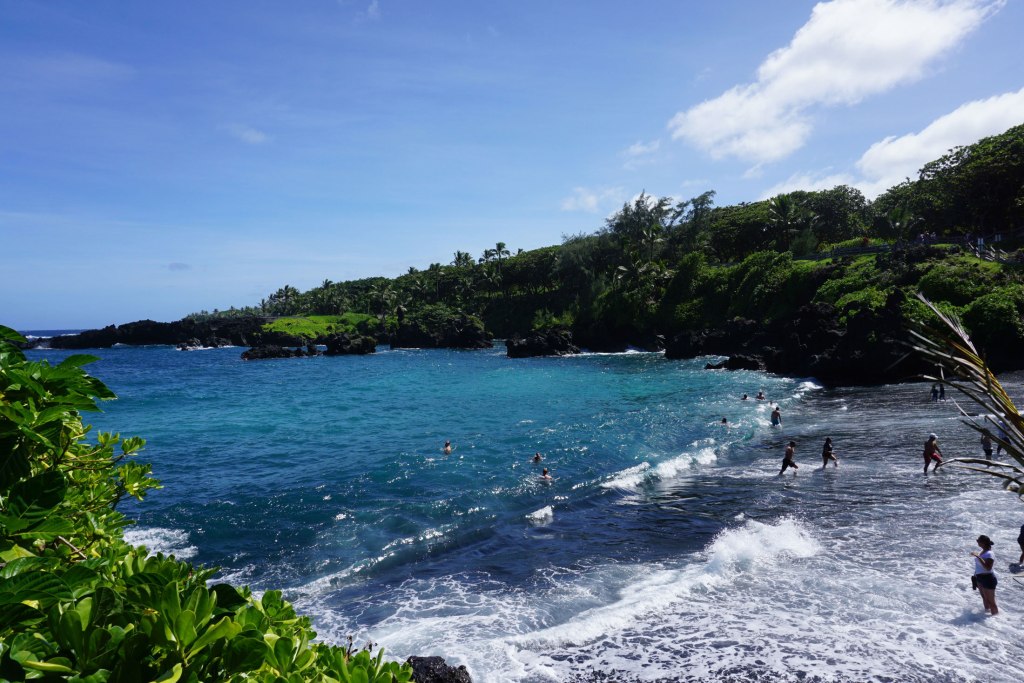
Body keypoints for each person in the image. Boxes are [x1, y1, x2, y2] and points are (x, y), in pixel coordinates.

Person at [971, 535, 998, 615]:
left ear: (983, 543)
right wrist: (975, 577)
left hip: (988, 578)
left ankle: (996, 620)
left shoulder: (990, 553)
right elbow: (979, 566)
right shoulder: (982, 551)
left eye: (978, 541)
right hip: (979, 578)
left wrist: (978, 556)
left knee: (991, 602)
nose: (977, 542)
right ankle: (986, 619)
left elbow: (988, 568)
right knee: (985, 599)